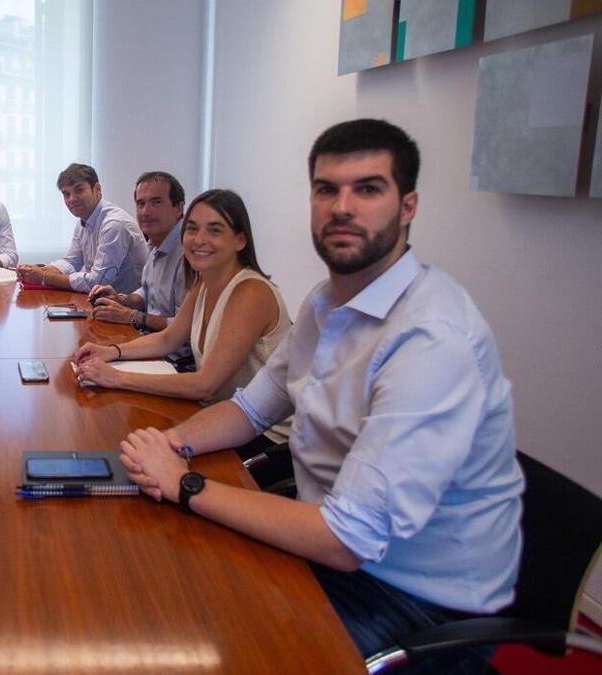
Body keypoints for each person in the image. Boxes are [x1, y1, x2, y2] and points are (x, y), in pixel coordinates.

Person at [119, 119, 523, 674]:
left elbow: (347, 540)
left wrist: (185, 483)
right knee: (165, 580)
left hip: (412, 601)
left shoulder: (431, 339)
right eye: (327, 190)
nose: (342, 208)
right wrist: (168, 445)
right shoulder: (325, 302)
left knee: (203, 624)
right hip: (329, 543)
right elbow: (249, 409)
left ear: (408, 207)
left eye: (368, 189)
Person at [74, 189, 291, 446]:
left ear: (240, 240)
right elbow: (167, 339)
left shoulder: (251, 292)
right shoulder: (205, 281)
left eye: (214, 230)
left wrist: (116, 377)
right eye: (192, 229)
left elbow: (205, 385)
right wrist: (110, 351)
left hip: (263, 435)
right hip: (220, 416)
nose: (199, 240)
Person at [17, 163, 147, 293]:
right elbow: (72, 262)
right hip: (103, 299)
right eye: (66, 194)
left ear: (97, 189)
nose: (72, 199)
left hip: (127, 302)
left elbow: (97, 281)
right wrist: (37, 271)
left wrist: (44, 277)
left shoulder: (114, 224)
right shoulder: (83, 221)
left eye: (79, 190)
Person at [88, 171, 188, 333]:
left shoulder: (189, 254)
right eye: (141, 203)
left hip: (172, 348)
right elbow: (147, 292)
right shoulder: (155, 242)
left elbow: (186, 328)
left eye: (156, 202)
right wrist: (122, 300)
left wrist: (133, 316)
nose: (145, 212)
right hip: (150, 337)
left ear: (178, 208)